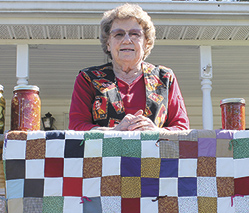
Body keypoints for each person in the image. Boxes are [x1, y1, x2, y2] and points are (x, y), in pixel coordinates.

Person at [69, 3, 190, 131]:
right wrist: (113, 132)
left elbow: (181, 128)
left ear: (146, 43)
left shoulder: (165, 78)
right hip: (105, 152)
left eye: (135, 34)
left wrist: (156, 132)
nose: (127, 40)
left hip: (154, 151)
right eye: (119, 34)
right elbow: (76, 127)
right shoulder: (88, 79)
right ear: (108, 43)